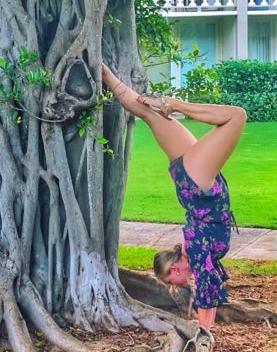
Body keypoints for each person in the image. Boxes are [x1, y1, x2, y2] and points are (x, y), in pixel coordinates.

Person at [102, 64, 246, 331]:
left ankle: (172, 103)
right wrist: (205, 327)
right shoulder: (193, 250)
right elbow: (209, 287)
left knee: (237, 116)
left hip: (197, 182)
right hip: (189, 181)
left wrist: (202, 331)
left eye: (169, 281)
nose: (172, 287)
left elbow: (205, 288)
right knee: (148, 113)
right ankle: (108, 75)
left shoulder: (195, 251)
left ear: (175, 270)